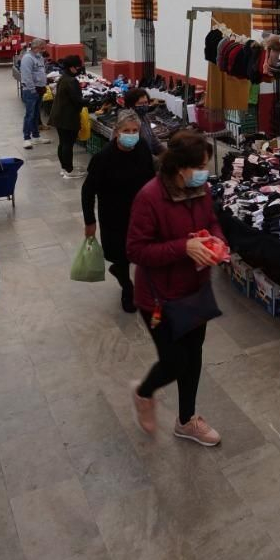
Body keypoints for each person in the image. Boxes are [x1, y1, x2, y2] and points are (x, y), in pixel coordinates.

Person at [126, 130, 225, 447]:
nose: (204, 173)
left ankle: (186, 420)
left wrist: (216, 240)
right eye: (200, 166)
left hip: (195, 288)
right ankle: (143, 392)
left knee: (193, 355)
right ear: (180, 167)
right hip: (158, 296)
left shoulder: (201, 189)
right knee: (174, 361)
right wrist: (184, 247)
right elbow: (136, 251)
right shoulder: (149, 197)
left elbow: (211, 220)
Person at [81, 110, 155, 313]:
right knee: (120, 255)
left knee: (142, 253)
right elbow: (88, 191)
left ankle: (139, 283)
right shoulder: (103, 158)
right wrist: (90, 221)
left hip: (140, 215)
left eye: (135, 130)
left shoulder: (142, 148)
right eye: (126, 130)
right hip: (114, 216)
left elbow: (151, 179)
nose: (131, 134)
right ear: (116, 132)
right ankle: (127, 288)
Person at [47, 58, 86, 178]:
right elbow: (77, 100)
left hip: (59, 115)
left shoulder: (64, 78)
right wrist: (90, 102)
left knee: (63, 143)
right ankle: (69, 171)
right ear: (72, 67)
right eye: (77, 67)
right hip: (67, 117)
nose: (79, 69)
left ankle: (64, 167)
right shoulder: (71, 81)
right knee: (68, 143)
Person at [17, 41, 47, 149]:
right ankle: (26, 138)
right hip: (31, 91)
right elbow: (26, 75)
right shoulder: (27, 58)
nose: (44, 49)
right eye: (42, 47)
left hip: (40, 89)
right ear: (37, 47)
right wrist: (32, 89)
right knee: (29, 115)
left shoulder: (39, 57)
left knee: (36, 114)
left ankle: (36, 136)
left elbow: (41, 72)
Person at [124, 87, 163, 153]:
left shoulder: (145, 117)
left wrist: (166, 152)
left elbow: (153, 138)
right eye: (140, 103)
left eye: (146, 102)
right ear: (131, 105)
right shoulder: (128, 122)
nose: (144, 106)